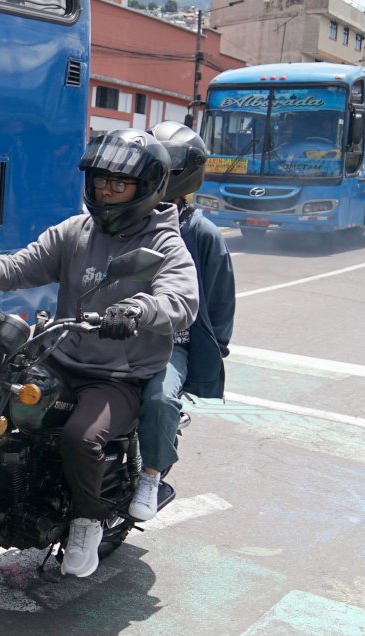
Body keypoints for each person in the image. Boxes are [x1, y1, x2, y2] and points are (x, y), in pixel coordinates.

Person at [0, 129, 199, 578]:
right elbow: (22, 264)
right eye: (100, 180)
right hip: (59, 354)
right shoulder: (76, 231)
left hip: (117, 374)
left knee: (81, 437)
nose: (107, 190)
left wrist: (138, 309)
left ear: (147, 187)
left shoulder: (166, 244)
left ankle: (87, 521)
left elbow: (181, 300)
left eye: (120, 183)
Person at [130, 122, 236, 521]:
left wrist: (211, 349)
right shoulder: (124, 218)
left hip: (170, 342)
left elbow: (220, 300)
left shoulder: (202, 233)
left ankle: (151, 474)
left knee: (158, 399)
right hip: (112, 331)